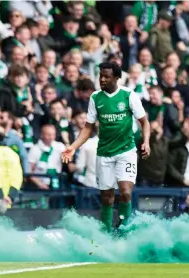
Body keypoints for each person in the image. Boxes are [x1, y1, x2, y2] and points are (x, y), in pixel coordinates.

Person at [61, 62, 151, 232]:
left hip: (126, 151)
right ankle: (106, 233)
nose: (102, 79)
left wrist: (145, 141)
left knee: (125, 192)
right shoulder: (96, 98)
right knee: (107, 198)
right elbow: (88, 127)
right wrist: (73, 147)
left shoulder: (128, 95)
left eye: (106, 76)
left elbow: (144, 122)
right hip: (104, 153)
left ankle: (123, 230)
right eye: (100, 76)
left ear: (117, 78)